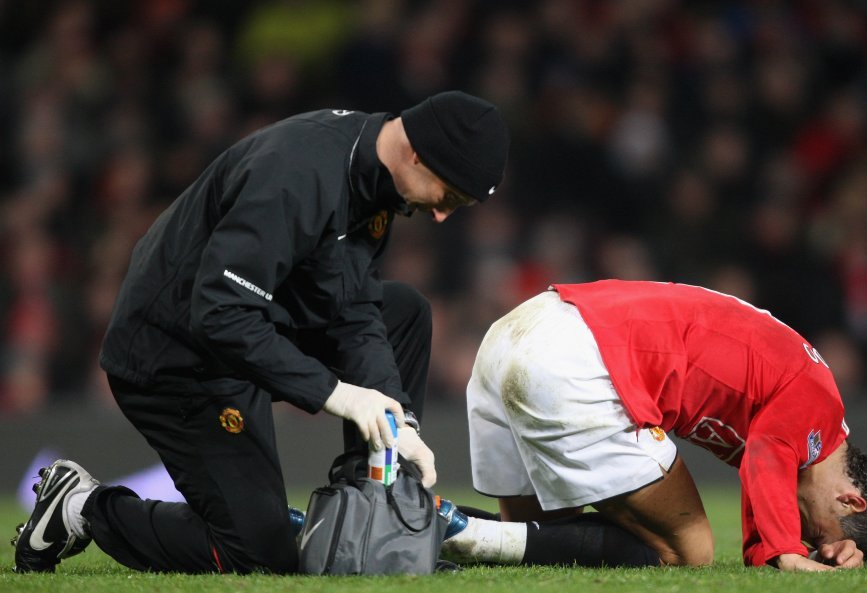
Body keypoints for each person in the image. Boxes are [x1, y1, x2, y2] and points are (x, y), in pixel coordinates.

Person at [12, 91, 510, 574]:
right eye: (449, 195)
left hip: (246, 334)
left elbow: (354, 310)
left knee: (401, 310)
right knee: (258, 552)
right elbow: (220, 314)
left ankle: (369, 512)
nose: (443, 213)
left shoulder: (374, 177)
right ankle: (80, 506)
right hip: (176, 359)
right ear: (417, 154)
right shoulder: (295, 175)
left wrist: (398, 425)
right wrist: (338, 395)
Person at [441, 280, 867, 571]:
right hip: (582, 360)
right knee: (691, 551)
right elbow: (767, 454)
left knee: (537, 537)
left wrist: (766, 550)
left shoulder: (805, 409)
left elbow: (762, 471)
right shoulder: (820, 409)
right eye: (817, 534)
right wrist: (783, 550)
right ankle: (460, 533)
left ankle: (420, 517)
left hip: (519, 330)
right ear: (850, 500)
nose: (806, 537)